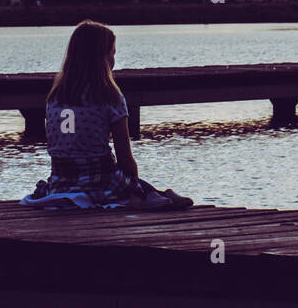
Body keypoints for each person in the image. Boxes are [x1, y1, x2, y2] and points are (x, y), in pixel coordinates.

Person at [23, 20, 192, 210]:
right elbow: (125, 159)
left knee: (142, 189)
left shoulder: (55, 98)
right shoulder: (109, 97)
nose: (114, 61)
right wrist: (133, 184)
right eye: (112, 54)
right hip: (100, 182)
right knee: (138, 188)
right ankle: (151, 195)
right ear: (102, 58)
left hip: (61, 182)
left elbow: (65, 144)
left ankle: (153, 194)